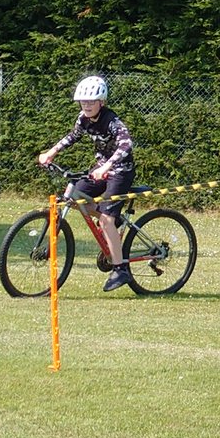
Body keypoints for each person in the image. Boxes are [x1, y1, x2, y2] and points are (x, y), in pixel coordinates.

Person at [37, 75, 136, 292]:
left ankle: (120, 269)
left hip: (120, 172)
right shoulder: (82, 119)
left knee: (107, 222)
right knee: (73, 198)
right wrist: (51, 153)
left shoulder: (112, 122)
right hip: (99, 171)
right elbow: (72, 137)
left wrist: (107, 167)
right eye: (84, 101)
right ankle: (110, 219)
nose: (87, 105)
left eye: (91, 101)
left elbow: (126, 146)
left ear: (102, 102)